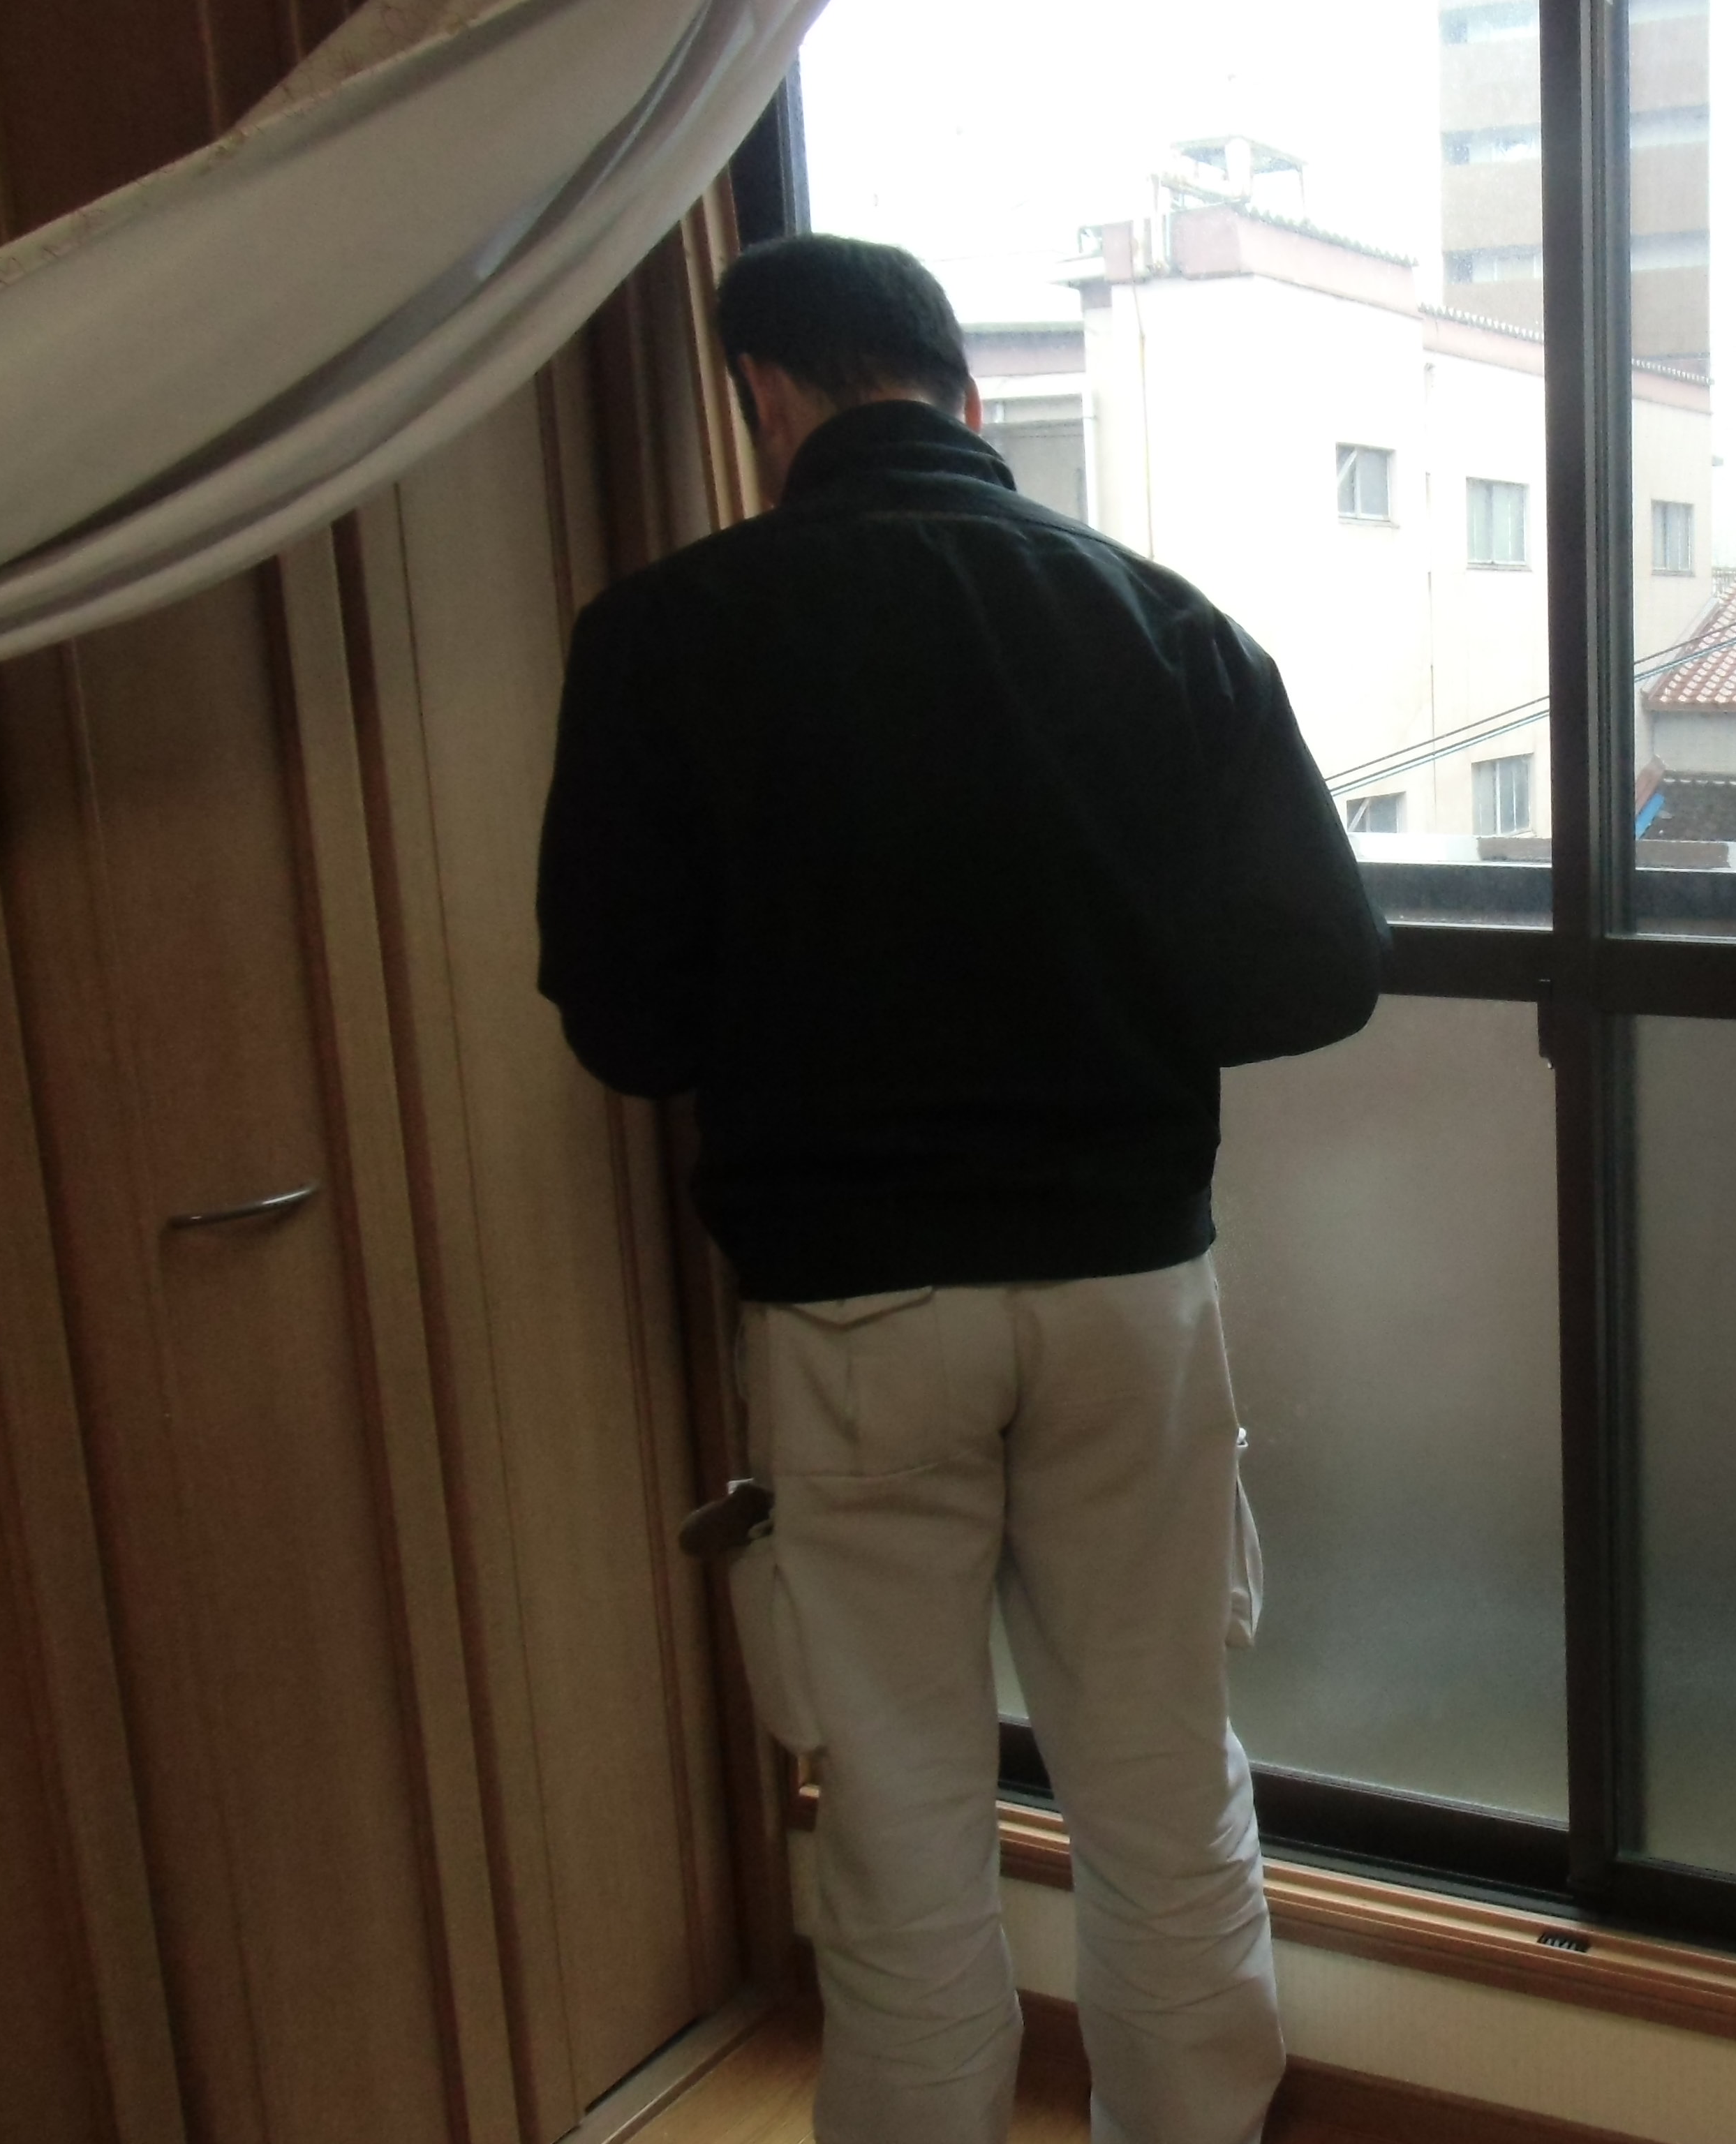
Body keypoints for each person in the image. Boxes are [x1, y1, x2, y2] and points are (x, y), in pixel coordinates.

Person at [536, 233, 1383, 2144]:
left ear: (766, 397)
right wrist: (1104, 1005)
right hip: (1128, 1296)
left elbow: (626, 1026)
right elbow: (1324, 972)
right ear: (967, 396)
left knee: (906, 1826)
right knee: (1164, 1787)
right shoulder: (1164, 624)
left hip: (855, 1309)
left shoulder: (664, 636)